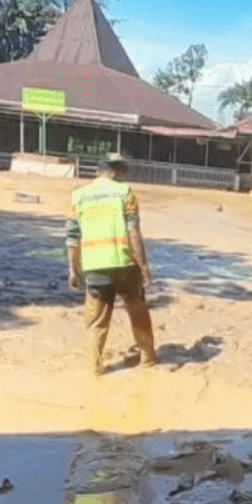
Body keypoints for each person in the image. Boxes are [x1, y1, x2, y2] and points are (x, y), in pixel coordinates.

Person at [66, 152, 156, 375]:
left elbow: (72, 238)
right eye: (124, 173)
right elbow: (133, 232)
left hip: (95, 266)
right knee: (138, 313)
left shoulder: (79, 196)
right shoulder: (125, 193)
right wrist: (144, 267)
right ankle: (147, 360)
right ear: (117, 172)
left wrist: (73, 270)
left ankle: (96, 370)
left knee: (96, 323)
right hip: (125, 265)